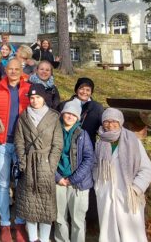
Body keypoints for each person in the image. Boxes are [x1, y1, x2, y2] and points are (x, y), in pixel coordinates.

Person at [0, 58, 31, 242]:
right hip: (2, 143)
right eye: (10, 69)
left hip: (22, 144)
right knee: (3, 184)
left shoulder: (29, 90)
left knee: (21, 184)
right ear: (6, 70)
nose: (13, 71)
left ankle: (19, 222)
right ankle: (5, 223)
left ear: (21, 70)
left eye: (16, 69)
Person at [94, 108, 151, 242]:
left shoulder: (132, 141)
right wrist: (98, 186)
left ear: (120, 122)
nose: (110, 125)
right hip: (106, 192)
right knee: (108, 233)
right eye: (107, 121)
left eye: (114, 121)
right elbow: (95, 166)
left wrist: (136, 188)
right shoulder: (100, 142)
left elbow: (146, 169)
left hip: (128, 193)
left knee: (131, 232)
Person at [13, 83, 63, 242]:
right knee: (30, 205)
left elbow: (58, 143)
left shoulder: (54, 117)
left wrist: (51, 165)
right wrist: (23, 161)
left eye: (38, 97)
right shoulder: (23, 117)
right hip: (29, 164)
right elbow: (19, 141)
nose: (34, 101)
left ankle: (45, 238)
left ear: (44, 98)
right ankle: (33, 238)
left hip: (46, 164)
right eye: (32, 98)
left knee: (46, 206)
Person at [54, 100, 95, 242]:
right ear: (62, 114)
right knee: (59, 218)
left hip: (79, 183)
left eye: (73, 114)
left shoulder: (83, 134)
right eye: (67, 113)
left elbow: (89, 159)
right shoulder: (54, 132)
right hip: (58, 181)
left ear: (77, 117)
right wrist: (58, 177)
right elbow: (48, 157)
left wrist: (73, 179)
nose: (70, 116)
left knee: (78, 220)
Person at [58, 78, 103, 144]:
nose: (84, 92)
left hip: (88, 144)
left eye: (88, 90)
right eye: (81, 88)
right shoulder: (65, 105)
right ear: (76, 90)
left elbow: (102, 127)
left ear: (91, 92)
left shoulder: (96, 107)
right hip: (66, 143)